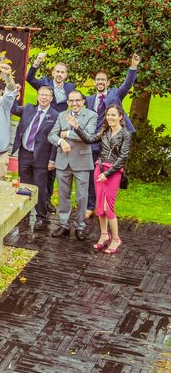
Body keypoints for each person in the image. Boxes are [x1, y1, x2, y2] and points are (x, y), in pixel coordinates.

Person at [68, 105, 131, 254]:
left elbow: (123, 158)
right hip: (99, 169)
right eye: (108, 115)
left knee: (109, 208)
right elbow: (89, 139)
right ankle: (104, 235)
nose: (110, 117)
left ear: (121, 117)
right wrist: (77, 127)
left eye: (114, 115)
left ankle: (116, 239)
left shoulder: (125, 135)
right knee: (99, 209)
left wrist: (108, 173)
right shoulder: (104, 131)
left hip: (113, 173)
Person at [83, 53, 139, 221]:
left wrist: (133, 66)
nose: (100, 82)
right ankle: (91, 206)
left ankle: (107, 206)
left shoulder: (115, 94)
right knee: (93, 175)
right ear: (94, 83)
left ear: (107, 83)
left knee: (111, 174)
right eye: (97, 80)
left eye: (103, 80)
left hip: (112, 142)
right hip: (95, 142)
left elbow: (128, 84)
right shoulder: (89, 99)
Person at [48, 90, 98, 240]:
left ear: (83, 101)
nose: (74, 103)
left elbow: (88, 136)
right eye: (71, 101)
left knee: (82, 197)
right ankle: (63, 225)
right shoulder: (62, 115)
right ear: (68, 102)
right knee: (63, 196)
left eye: (77, 100)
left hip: (82, 162)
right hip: (63, 161)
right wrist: (60, 141)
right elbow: (51, 135)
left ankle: (80, 226)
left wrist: (68, 133)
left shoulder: (91, 115)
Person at [10, 86, 58, 230]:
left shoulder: (55, 115)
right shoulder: (28, 109)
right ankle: (24, 214)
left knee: (40, 187)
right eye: (41, 94)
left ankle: (41, 216)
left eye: (47, 95)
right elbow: (12, 109)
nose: (43, 97)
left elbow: (55, 141)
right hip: (24, 154)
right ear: (37, 96)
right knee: (25, 186)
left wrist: (52, 159)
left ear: (51, 98)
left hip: (42, 157)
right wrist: (13, 95)